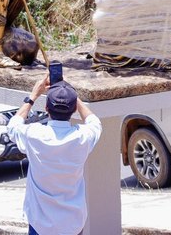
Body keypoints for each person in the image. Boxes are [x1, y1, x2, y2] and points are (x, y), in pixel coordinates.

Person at [6, 77, 102, 235]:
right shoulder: (82, 137)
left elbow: (13, 126)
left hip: (40, 225)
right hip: (73, 224)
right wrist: (71, 96)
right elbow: (94, 122)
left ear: (46, 108)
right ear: (73, 110)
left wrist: (33, 96)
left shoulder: (34, 135)